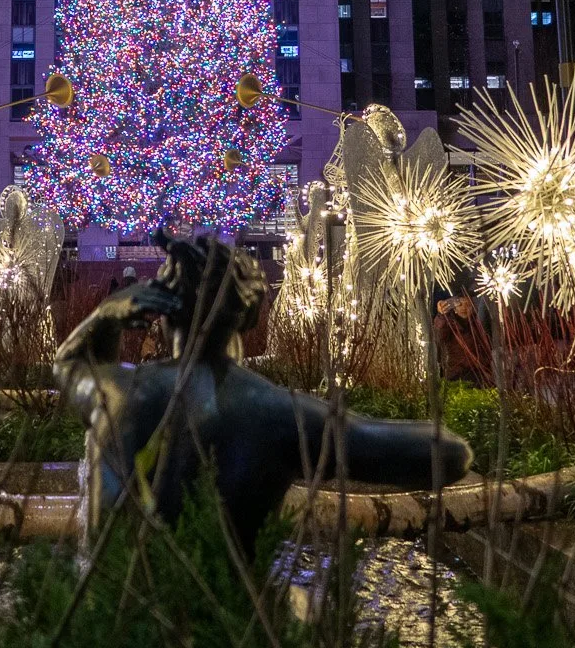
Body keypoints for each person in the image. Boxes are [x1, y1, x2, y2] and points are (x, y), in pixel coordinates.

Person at [55, 232, 471, 553]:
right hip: (232, 626)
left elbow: (70, 364)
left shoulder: (116, 393)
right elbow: (447, 456)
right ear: (251, 313)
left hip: (113, 627)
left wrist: (107, 315)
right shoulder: (280, 414)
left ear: (162, 312)